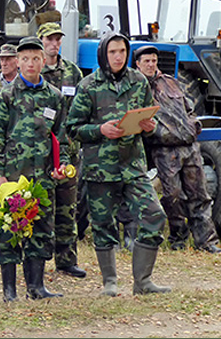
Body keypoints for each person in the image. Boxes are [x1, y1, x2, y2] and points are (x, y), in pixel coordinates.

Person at [65, 32, 171, 297]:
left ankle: (143, 281)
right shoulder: (89, 85)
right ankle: (110, 282)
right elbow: (73, 128)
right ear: (103, 54)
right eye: (112, 52)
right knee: (103, 225)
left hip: (132, 166)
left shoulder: (139, 82)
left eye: (122, 51)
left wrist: (149, 126)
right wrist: (100, 129)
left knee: (154, 214)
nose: (118, 57)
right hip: (100, 168)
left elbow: (150, 118)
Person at [0, 36, 68, 302]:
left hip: (42, 178)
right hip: (12, 177)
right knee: (9, 230)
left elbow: (61, 137)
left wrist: (61, 165)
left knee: (41, 229)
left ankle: (36, 286)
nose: (30, 64)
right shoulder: (7, 95)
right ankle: (9, 290)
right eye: (25, 59)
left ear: (44, 61)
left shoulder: (54, 97)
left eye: (35, 58)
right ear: (17, 62)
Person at [133, 46, 221, 254]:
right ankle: (178, 238)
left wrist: (193, 125)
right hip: (164, 149)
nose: (150, 64)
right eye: (146, 61)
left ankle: (206, 241)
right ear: (138, 64)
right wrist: (154, 132)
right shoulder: (137, 87)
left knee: (199, 194)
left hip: (189, 146)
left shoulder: (170, 82)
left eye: (153, 60)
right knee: (173, 196)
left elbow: (188, 107)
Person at [36, 22, 86, 278]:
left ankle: (66, 260)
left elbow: (79, 107)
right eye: (50, 39)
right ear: (41, 41)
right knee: (40, 207)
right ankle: (37, 261)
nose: (54, 43)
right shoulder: (36, 71)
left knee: (68, 206)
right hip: (41, 150)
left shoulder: (73, 72)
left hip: (68, 147)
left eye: (58, 39)